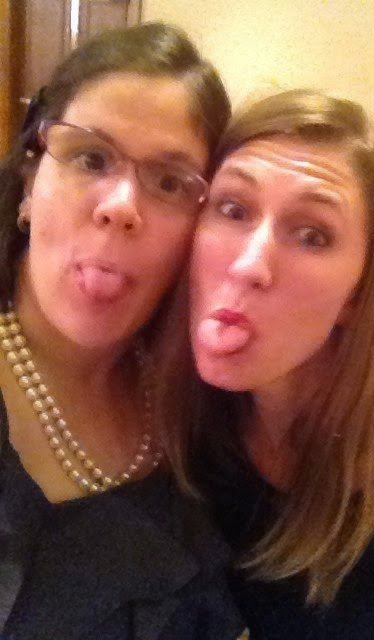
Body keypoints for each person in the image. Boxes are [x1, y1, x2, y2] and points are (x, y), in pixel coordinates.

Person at [160, 90, 374, 639]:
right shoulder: (178, 427)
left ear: (359, 291)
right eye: (233, 209)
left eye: (312, 235)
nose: (249, 264)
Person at [0, 22, 247, 640]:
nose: (120, 206)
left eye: (169, 182)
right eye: (91, 158)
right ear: (30, 182)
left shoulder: (200, 400)